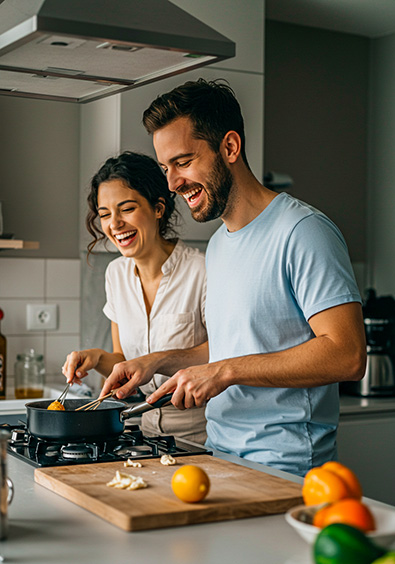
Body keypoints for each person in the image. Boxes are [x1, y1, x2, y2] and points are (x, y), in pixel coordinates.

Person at [100, 79, 367, 476]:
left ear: (229, 147)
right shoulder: (221, 244)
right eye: (165, 168)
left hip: (286, 466)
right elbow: (233, 348)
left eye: (184, 162)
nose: (172, 183)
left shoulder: (303, 231)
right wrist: (158, 361)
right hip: (220, 453)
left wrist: (224, 372)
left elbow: (347, 354)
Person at [63, 151, 208, 444]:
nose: (114, 224)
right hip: (147, 433)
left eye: (126, 209)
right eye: (104, 214)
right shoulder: (115, 274)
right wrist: (96, 358)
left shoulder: (202, 269)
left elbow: (224, 352)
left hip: (203, 435)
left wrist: (156, 360)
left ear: (158, 208)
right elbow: (125, 361)